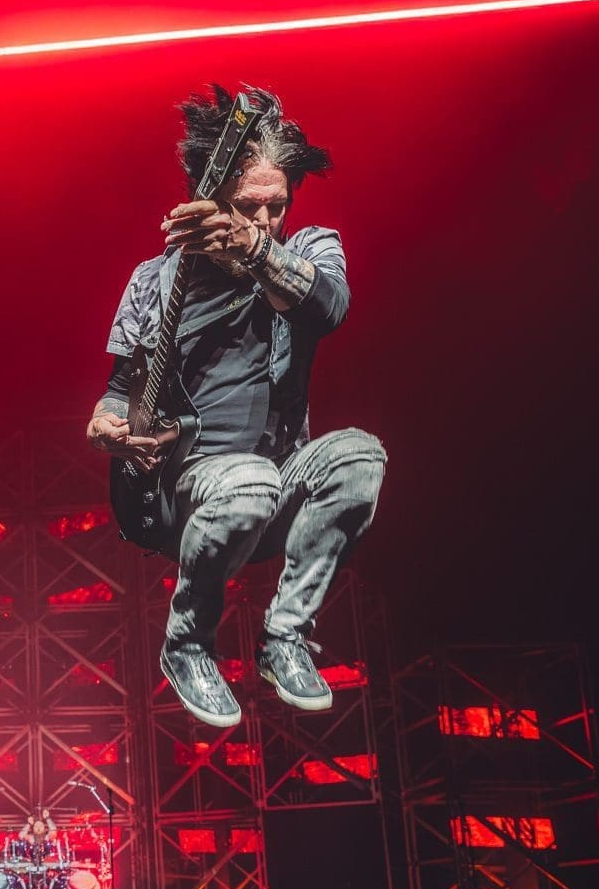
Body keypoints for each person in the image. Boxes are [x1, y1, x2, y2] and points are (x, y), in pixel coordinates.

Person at [88, 84, 386, 729]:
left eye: (277, 207)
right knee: (247, 480)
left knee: (360, 455)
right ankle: (188, 646)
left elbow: (327, 307)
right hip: (187, 491)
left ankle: (286, 637)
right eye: (248, 207)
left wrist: (253, 250)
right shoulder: (154, 280)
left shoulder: (309, 249)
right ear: (212, 196)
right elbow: (123, 383)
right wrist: (105, 425)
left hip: (274, 480)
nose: (265, 219)